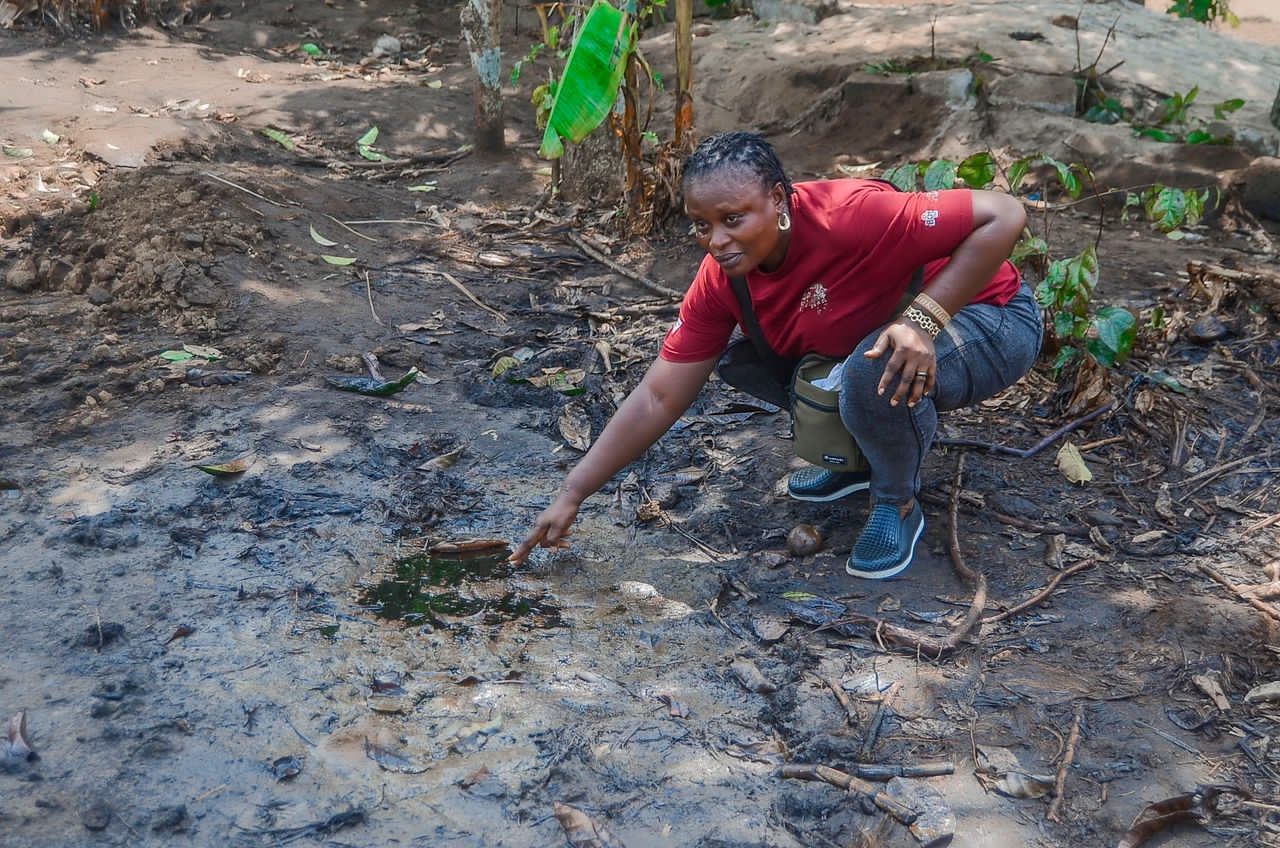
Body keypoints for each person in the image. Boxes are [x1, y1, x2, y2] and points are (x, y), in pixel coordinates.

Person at [510, 131, 1042, 578]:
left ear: (780, 201)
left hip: (991, 317)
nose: (716, 241)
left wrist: (923, 321)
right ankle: (857, 459)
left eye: (733, 219)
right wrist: (573, 492)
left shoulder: (853, 215)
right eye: (701, 225)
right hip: (880, 329)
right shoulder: (722, 278)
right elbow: (658, 395)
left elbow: (1003, 214)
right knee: (746, 358)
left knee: (873, 366)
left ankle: (896, 500)